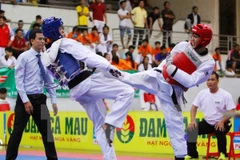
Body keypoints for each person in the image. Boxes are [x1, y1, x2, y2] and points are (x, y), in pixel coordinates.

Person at [115, 24, 215, 160]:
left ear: (204, 40)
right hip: (157, 77)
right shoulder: (183, 45)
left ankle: (180, 157)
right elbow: (168, 59)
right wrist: (167, 67)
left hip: (174, 92)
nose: (192, 38)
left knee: (176, 125)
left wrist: (173, 70)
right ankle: (100, 71)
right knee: (127, 77)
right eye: (192, 34)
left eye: (196, 36)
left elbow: (191, 81)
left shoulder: (208, 62)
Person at [41, 17, 134, 160]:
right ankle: (112, 123)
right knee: (127, 91)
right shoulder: (64, 43)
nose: (63, 31)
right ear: (54, 31)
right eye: (60, 28)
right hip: (87, 82)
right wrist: (109, 68)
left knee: (99, 126)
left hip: (75, 91)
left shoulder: (45, 56)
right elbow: (88, 56)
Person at [6, 29, 58, 160]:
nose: (42, 41)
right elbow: (19, 81)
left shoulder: (46, 58)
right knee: (17, 132)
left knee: (48, 134)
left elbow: (49, 80)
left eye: (43, 39)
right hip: (25, 100)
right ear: (32, 40)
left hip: (40, 99)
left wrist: (54, 100)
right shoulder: (24, 57)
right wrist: (25, 101)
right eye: (40, 39)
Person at [185, 72, 235, 160]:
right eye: (208, 80)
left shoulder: (225, 95)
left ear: (218, 81)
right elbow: (193, 107)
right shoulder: (202, 93)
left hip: (224, 122)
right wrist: (192, 121)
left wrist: (222, 121)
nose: (210, 82)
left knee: (219, 129)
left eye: (212, 80)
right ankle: (193, 154)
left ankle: (223, 154)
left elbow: (232, 111)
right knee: (191, 129)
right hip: (208, 123)